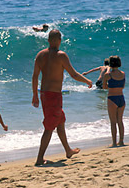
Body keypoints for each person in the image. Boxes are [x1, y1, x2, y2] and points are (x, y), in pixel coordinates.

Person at [32, 29, 92, 166]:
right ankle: (40, 158)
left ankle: (68, 150)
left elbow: (35, 77)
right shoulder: (61, 55)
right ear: (59, 40)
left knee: (60, 120)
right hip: (54, 96)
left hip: (44, 95)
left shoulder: (40, 55)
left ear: (48, 40)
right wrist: (87, 81)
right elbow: (74, 75)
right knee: (49, 127)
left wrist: (35, 95)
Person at [103, 55, 125, 147]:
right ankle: (121, 141)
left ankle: (114, 143)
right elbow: (123, 86)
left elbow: (104, 87)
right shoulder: (123, 73)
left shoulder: (108, 75)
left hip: (112, 99)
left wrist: (108, 70)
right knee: (120, 121)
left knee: (113, 122)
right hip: (121, 98)